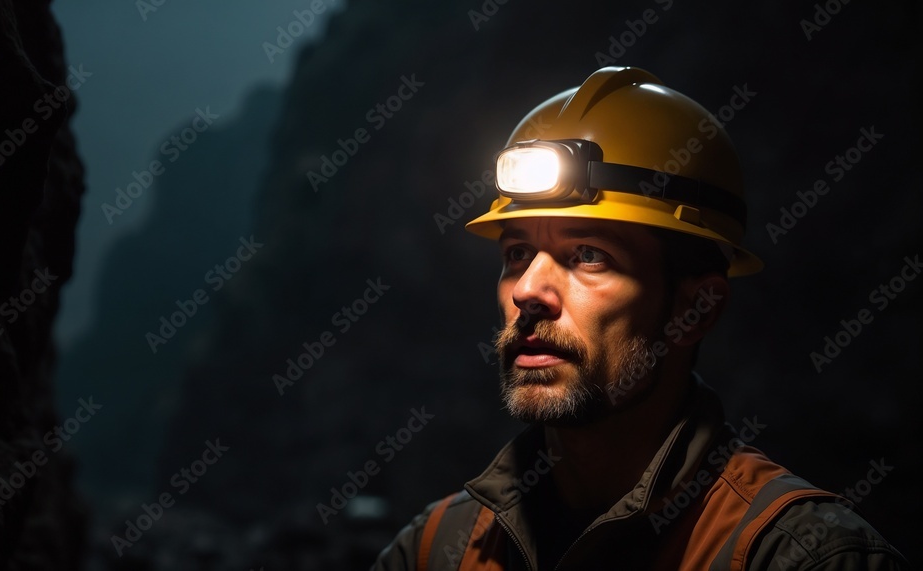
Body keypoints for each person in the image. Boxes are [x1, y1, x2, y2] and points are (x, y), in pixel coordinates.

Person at [372, 66, 908, 570]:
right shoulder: (436, 549)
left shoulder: (800, 557)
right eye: (517, 253)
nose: (529, 291)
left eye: (588, 254)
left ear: (696, 307)